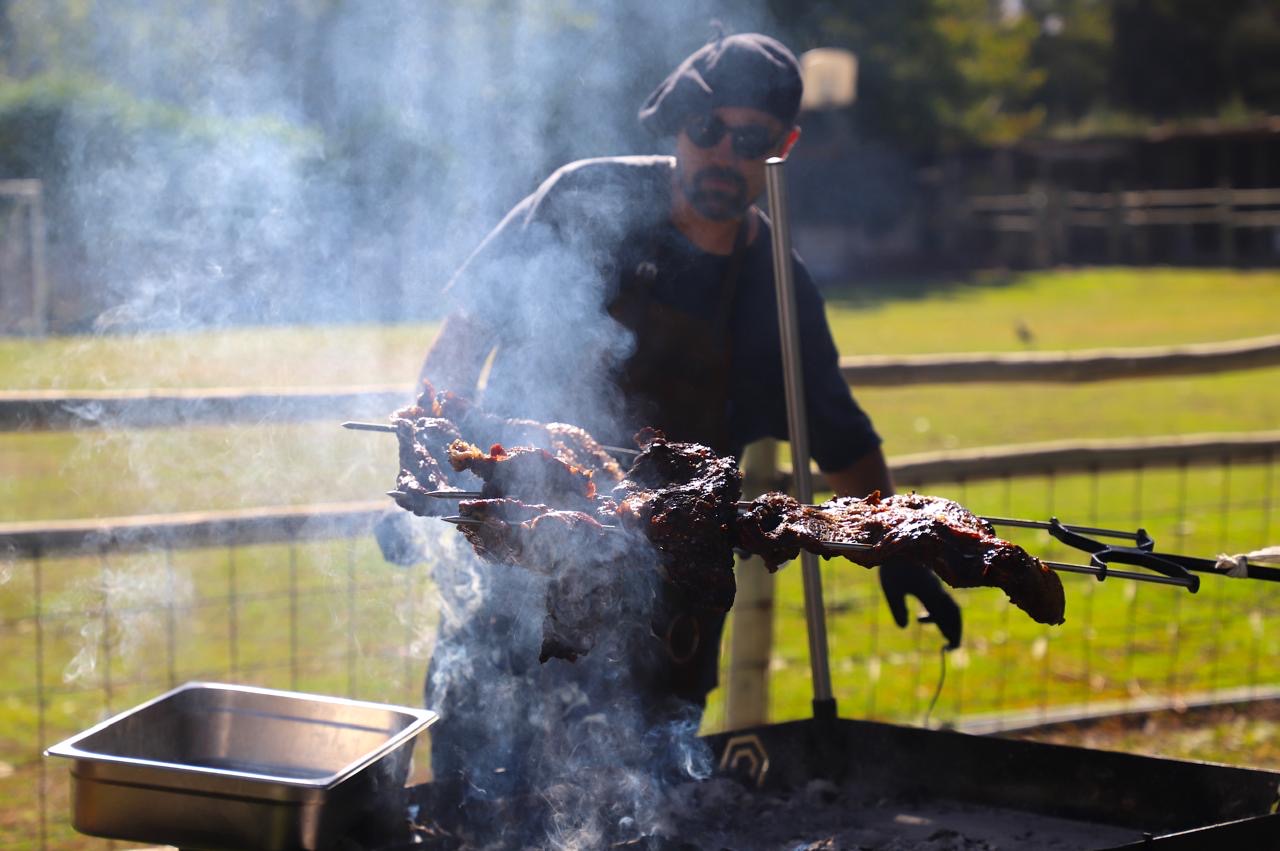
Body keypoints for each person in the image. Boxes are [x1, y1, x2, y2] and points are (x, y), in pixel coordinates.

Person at [415, 32, 961, 801]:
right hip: (515, 580)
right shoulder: (582, 200)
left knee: (635, 809)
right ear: (678, 126)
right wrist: (433, 460)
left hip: (666, 612)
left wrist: (900, 546)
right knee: (470, 803)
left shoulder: (778, 288)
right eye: (707, 131)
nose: (724, 158)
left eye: (750, 141)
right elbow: (461, 342)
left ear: (784, 146)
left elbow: (840, 436)